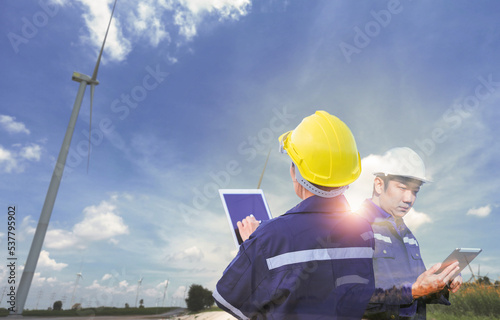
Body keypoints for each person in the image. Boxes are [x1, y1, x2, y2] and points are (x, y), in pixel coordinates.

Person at [213, 110, 376, 319]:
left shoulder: (269, 238)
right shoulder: (364, 231)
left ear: (296, 172)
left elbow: (228, 298)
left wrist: (250, 244)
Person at [357, 147, 463, 320]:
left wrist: (442, 283)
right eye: (402, 188)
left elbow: (420, 290)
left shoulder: (408, 235)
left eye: (415, 191)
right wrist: (413, 291)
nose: (409, 199)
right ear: (378, 184)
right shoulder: (354, 227)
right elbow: (352, 299)